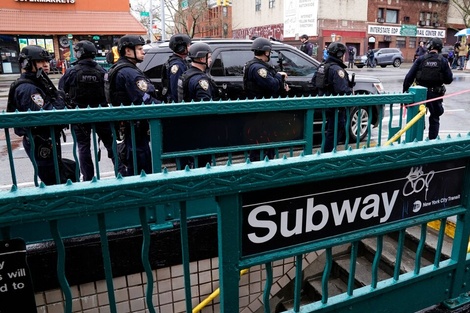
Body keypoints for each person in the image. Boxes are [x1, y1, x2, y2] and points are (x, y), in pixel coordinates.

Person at [7, 45, 68, 185]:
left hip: (45, 138)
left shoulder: (38, 82)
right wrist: (60, 102)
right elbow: (47, 114)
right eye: (40, 61)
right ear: (28, 63)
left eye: (46, 61)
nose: (46, 65)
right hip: (40, 140)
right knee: (53, 180)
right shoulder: (28, 88)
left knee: (61, 173)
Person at [59, 40, 116, 181]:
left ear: (79, 53)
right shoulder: (102, 71)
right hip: (101, 114)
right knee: (111, 144)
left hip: (80, 116)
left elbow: (61, 92)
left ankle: (89, 178)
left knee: (83, 147)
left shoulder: (71, 72)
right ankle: (120, 171)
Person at [105, 35, 161, 176]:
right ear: (128, 51)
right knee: (141, 167)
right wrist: (164, 107)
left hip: (129, 126)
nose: (143, 52)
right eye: (140, 49)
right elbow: (144, 99)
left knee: (134, 164)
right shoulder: (129, 72)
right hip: (135, 127)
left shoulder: (122, 68)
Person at [403, 37, 453, 140]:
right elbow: (449, 80)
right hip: (435, 95)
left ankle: (418, 141)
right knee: (434, 118)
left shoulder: (421, 59)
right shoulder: (443, 61)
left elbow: (409, 77)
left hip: (420, 95)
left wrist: (405, 93)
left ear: (429, 47)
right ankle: (432, 142)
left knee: (418, 118)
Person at [312, 42, 354, 153]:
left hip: (325, 103)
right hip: (336, 106)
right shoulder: (337, 69)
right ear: (340, 54)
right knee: (335, 130)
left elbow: (313, 82)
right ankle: (328, 153)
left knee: (330, 129)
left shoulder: (322, 66)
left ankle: (327, 152)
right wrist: (350, 90)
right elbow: (341, 89)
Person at [162, 34, 191, 103]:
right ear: (181, 48)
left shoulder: (181, 62)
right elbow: (176, 91)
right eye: (188, 45)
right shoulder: (178, 66)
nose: (190, 47)